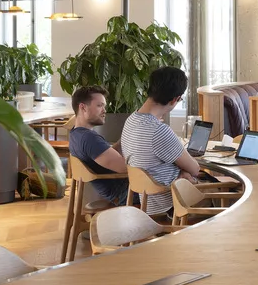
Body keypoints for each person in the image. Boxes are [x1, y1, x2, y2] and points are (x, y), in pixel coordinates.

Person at [120, 66, 201, 216]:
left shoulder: (131, 120)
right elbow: (195, 169)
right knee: (233, 192)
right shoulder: (158, 130)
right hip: (173, 206)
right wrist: (184, 171)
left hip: (148, 203)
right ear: (175, 99)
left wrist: (183, 171)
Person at [68, 86, 130, 206]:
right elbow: (125, 167)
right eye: (99, 105)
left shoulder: (76, 134)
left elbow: (105, 155)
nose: (104, 110)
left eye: (104, 106)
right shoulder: (89, 138)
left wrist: (127, 136)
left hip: (120, 192)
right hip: (125, 194)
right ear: (83, 107)